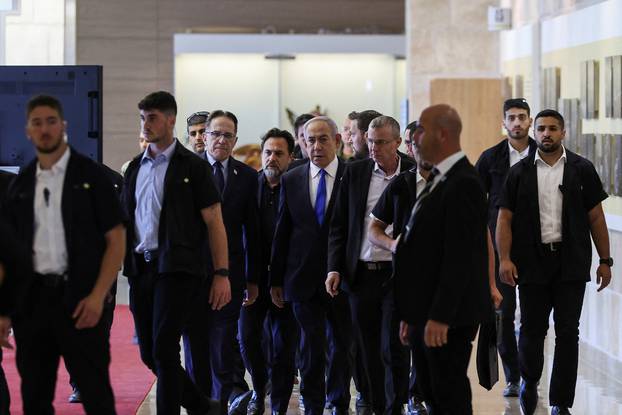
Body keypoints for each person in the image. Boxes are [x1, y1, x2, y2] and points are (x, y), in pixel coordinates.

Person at [4, 94, 126, 414]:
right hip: (33, 307)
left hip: (81, 302)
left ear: (63, 127)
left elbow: (116, 240)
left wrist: (99, 296)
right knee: (35, 396)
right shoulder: (21, 185)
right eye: (37, 123)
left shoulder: (94, 177)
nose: (45, 129)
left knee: (96, 395)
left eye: (51, 121)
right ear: (28, 130)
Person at [496, 109, 612, 415]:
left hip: (570, 263)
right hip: (531, 263)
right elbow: (503, 220)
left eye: (552, 129)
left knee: (567, 332)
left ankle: (561, 401)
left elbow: (596, 217)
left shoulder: (581, 169)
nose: (546, 134)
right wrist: (504, 259)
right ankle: (529, 381)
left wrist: (605, 260)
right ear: (534, 133)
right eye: (541, 129)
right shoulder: (518, 173)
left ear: (563, 133)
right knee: (532, 329)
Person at [122, 91, 230, 414]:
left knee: (165, 349)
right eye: (142, 118)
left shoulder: (193, 167)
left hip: (178, 269)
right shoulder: (133, 169)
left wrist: (222, 273)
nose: (145, 124)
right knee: (149, 353)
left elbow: (215, 222)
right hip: (140, 269)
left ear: (170, 120)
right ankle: (201, 406)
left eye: (152, 117)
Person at [394, 104, 490, 414]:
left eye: (421, 129)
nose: (415, 137)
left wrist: (440, 316)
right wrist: (411, 315)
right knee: (432, 392)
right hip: (425, 311)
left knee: (448, 394)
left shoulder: (464, 182)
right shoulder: (439, 178)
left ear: (442, 134)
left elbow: (459, 258)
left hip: (447, 316)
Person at [327, 115, 412, 415]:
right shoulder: (355, 172)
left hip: (399, 274)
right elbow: (339, 225)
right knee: (367, 348)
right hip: (362, 274)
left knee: (394, 347)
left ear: (398, 143)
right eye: (371, 141)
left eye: (381, 142)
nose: (373, 148)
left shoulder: (413, 174)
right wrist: (334, 267)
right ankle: (377, 405)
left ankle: (395, 406)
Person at [270, 116, 349, 415]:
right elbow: (283, 230)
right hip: (301, 278)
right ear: (301, 143)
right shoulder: (291, 177)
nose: (316, 146)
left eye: (323, 139)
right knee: (311, 349)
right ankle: (313, 405)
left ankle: (339, 402)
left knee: (341, 347)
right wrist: (276, 279)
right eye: (309, 140)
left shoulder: (352, 176)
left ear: (337, 141)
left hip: (343, 278)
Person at [186, 110, 260, 413]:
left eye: (228, 135)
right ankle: (197, 403)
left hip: (230, 276)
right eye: (215, 133)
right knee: (194, 344)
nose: (221, 140)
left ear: (235, 140)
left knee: (223, 343)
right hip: (191, 276)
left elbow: (253, 233)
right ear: (204, 136)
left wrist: (252, 279)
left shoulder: (247, 177)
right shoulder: (187, 172)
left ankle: (222, 402)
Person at [475, 98, 537, 398]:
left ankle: (530, 375)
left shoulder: (545, 154)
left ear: (530, 120)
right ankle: (513, 376)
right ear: (504, 123)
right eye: (511, 118)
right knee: (504, 315)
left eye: (522, 117)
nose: (517, 123)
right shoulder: (491, 158)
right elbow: (474, 203)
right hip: (500, 249)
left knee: (533, 319)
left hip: (536, 247)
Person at [238, 128, 298, 415]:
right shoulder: (249, 187)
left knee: (284, 349)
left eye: (279, 153)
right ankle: (260, 389)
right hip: (253, 280)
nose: (272, 158)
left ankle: (278, 407)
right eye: (268, 152)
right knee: (248, 339)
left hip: (287, 281)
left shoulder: (297, 187)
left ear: (291, 157)